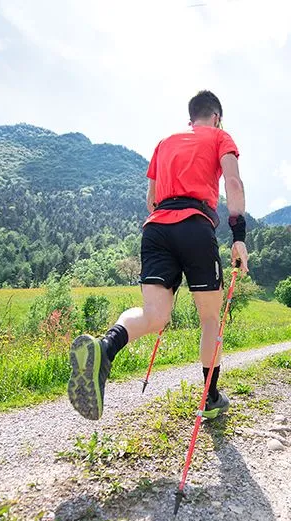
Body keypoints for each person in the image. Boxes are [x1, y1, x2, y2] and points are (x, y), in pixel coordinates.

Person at [67, 90, 249, 421]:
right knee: (209, 317)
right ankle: (210, 398)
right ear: (217, 118)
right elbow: (233, 183)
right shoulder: (221, 137)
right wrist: (239, 237)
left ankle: (104, 349)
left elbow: (150, 199)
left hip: (156, 229)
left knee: (154, 315)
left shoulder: (164, 143)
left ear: (190, 118)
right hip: (195, 225)